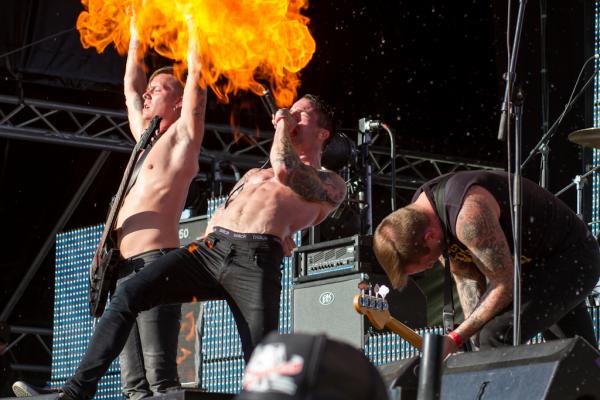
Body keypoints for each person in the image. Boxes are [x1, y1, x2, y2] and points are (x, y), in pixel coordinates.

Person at [41, 91, 345, 400]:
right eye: (289, 113)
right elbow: (227, 211)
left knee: (262, 360)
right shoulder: (255, 173)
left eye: (301, 115)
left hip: (254, 260)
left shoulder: (330, 182)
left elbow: (286, 170)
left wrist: (281, 122)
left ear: (323, 133)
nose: (292, 118)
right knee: (128, 294)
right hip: (210, 249)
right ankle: (77, 391)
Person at [12, 13, 207, 400]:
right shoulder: (144, 141)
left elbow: (198, 74)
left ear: (179, 99)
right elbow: (129, 89)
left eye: (158, 88)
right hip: (123, 267)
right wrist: (135, 32)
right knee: (133, 384)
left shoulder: (183, 137)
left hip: (155, 263)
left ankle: (72, 392)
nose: (148, 94)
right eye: (150, 88)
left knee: (161, 378)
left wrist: (194, 19)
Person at [372, 170, 600, 359]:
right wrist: (472, 343)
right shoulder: (422, 217)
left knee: (495, 335)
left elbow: (504, 284)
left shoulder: (469, 217)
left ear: (429, 237)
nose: (431, 267)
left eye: (427, 263)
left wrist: (455, 338)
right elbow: (466, 279)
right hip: (533, 269)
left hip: (573, 257)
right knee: (579, 358)